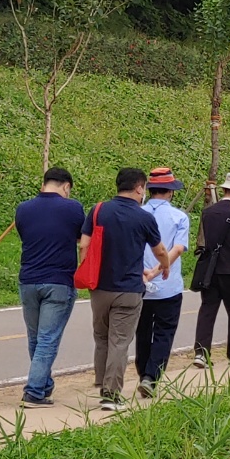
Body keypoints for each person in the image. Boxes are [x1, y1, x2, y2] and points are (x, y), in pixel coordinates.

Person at [81, 168, 169, 412]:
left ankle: (102, 381)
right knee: (119, 341)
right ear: (140, 188)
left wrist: (89, 271)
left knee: (101, 336)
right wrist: (165, 265)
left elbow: (84, 245)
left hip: (98, 287)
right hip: (129, 288)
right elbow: (159, 250)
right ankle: (111, 394)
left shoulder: (98, 210)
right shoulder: (143, 218)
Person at [13, 167, 84, 409]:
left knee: (36, 338)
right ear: (66, 186)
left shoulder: (23, 209)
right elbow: (79, 238)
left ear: (44, 184)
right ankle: (33, 392)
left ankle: (43, 386)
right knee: (47, 339)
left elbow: (26, 235)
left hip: (29, 280)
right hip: (59, 281)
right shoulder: (73, 208)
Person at [135, 168, 189, 398]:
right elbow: (176, 249)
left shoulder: (136, 214)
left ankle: (142, 373)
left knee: (142, 331)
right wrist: (159, 270)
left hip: (139, 283)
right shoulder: (179, 217)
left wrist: (144, 274)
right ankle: (151, 377)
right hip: (169, 285)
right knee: (164, 332)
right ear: (170, 192)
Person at [192, 171, 230, 368]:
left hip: (210, 269)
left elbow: (204, 240)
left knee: (207, 310)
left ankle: (201, 352)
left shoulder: (208, 212)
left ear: (225, 189)